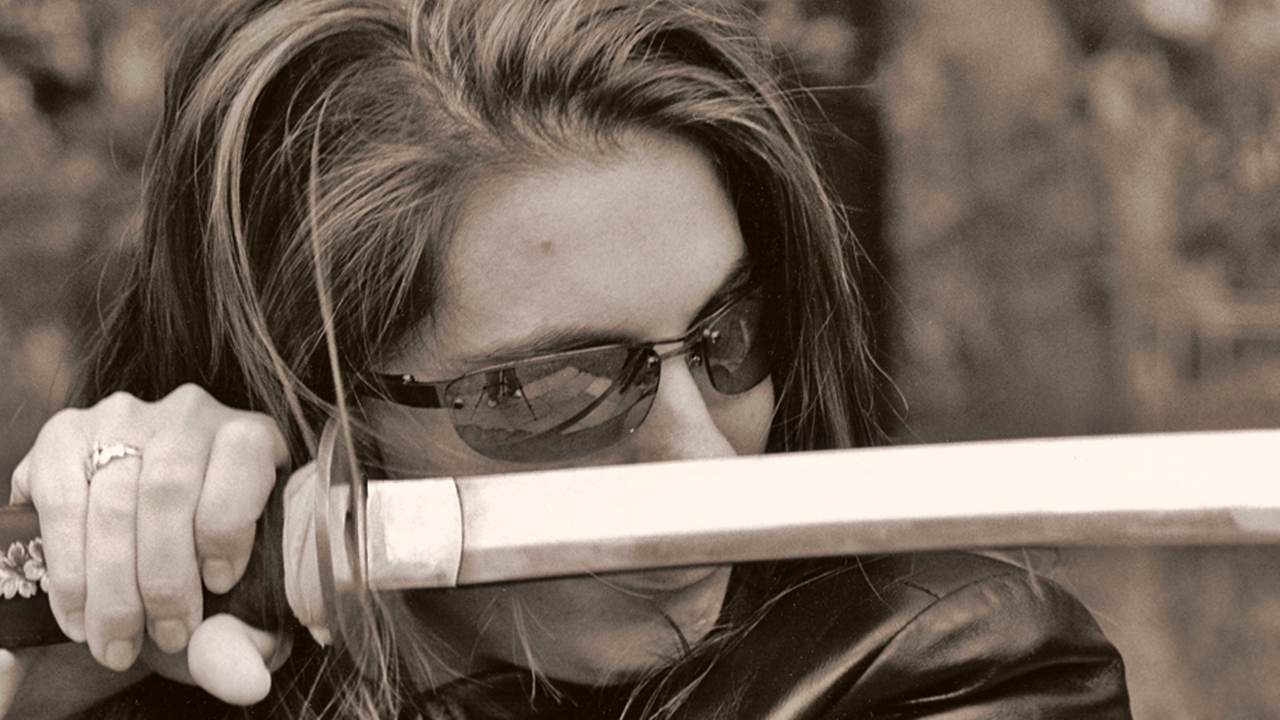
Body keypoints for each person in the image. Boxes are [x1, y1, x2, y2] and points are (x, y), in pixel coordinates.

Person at [2, 0, 1132, 717]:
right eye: (556, 387)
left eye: (729, 334)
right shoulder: (152, 681)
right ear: (319, 404)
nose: (707, 469)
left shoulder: (953, 660)